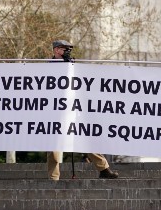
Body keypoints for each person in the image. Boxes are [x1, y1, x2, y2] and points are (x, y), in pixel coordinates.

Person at [47, 40, 119, 180]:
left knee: (85, 140)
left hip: (73, 111)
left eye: (68, 50)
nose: (67, 52)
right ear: (56, 50)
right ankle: (53, 178)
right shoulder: (49, 66)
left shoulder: (73, 65)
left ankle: (103, 169)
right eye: (64, 49)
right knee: (54, 147)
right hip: (55, 112)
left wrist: (70, 66)